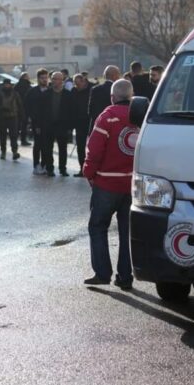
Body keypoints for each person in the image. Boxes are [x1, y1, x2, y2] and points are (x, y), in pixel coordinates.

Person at [82, 78, 136, 290]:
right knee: (126, 232)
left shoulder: (107, 117)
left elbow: (94, 150)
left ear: (112, 97)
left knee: (97, 226)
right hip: (132, 184)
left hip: (106, 183)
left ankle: (102, 273)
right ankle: (125, 276)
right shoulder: (141, 117)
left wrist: (88, 172)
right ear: (131, 96)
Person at [45, 71, 73, 177]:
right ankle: (49, 168)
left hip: (63, 126)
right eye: (53, 78)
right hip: (49, 125)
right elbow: (41, 111)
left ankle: (62, 169)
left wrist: (70, 127)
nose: (55, 81)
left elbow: (71, 112)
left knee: (63, 149)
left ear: (62, 81)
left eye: (57, 79)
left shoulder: (68, 95)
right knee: (48, 148)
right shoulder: (46, 94)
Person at [25, 69, 50, 175]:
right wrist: (31, 120)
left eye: (46, 78)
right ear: (38, 78)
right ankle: (36, 165)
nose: (44, 80)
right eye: (42, 78)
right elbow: (27, 107)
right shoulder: (32, 92)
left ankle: (44, 165)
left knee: (46, 145)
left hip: (48, 123)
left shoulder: (50, 90)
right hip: (36, 123)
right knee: (38, 145)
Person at [0, 77, 23, 160]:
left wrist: (21, 116)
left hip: (13, 117)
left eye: (8, 84)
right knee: (2, 136)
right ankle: (3, 152)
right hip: (2, 117)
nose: (7, 86)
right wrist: (2, 108)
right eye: (5, 84)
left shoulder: (15, 94)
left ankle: (14, 152)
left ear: (10, 85)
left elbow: (20, 105)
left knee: (14, 136)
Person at [70, 73, 92, 176]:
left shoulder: (92, 89)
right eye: (75, 84)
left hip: (90, 121)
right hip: (78, 122)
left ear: (84, 81)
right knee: (80, 147)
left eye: (79, 84)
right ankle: (82, 168)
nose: (77, 87)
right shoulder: (74, 91)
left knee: (93, 146)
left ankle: (92, 168)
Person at [88, 65, 121, 134]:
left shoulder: (95, 89)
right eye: (119, 74)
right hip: (112, 128)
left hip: (97, 126)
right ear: (114, 76)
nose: (119, 77)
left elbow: (90, 110)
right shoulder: (118, 90)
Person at [15, 73, 32, 147]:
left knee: (17, 125)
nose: (29, 78)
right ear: (25, 77)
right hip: (26, 108)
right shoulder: (28, 86)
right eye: (28, 76)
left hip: (17, 108)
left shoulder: (16, 86)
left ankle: (14, 140)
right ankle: (23, 140)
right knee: (24, 125)